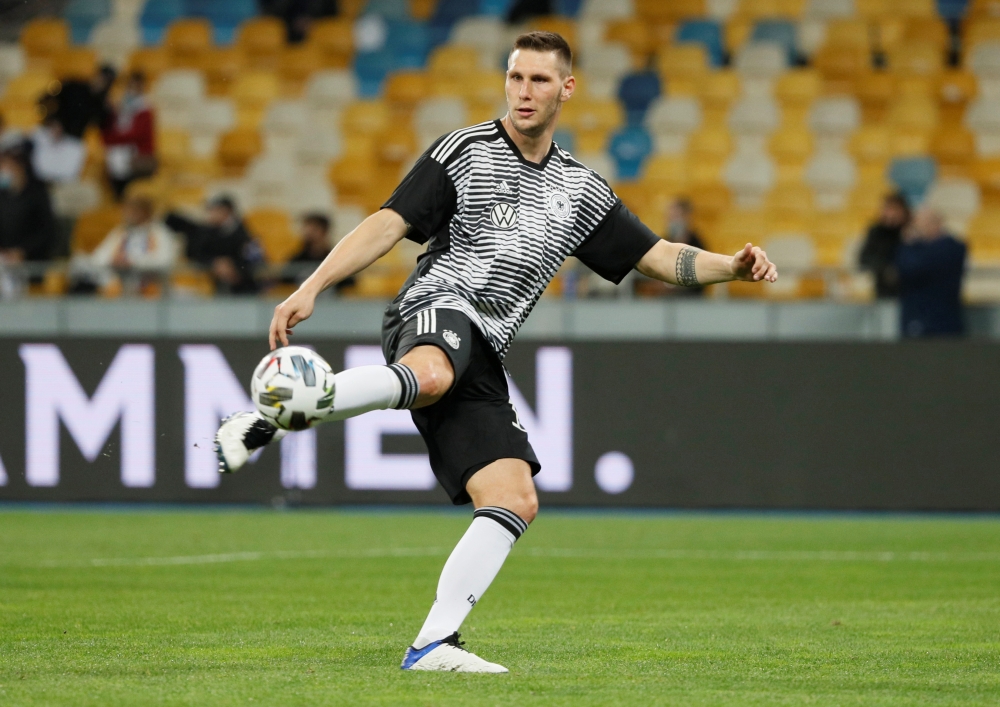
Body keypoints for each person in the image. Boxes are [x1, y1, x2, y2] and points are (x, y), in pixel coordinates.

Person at [214, 32, 777, 673]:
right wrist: (312, 285)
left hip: (486, 349)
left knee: (514, 497)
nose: (523, 92)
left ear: (567, 88)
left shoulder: (580, 190)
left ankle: (432, 645)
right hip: (435, 307)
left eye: (539, 80)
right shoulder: (465, 149)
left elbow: (657, 257)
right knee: (429, 374)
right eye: (515, 78)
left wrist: (731, 266)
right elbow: (389, 221)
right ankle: (278, 414)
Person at [71, 194, 179, 294]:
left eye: (133, 211)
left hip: (148, 279)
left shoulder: (159, 233)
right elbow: (98, 258)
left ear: (146, 212)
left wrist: (132, 262)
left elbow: (165, 261)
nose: (127, 215)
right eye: (127, 211)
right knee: (78, 262)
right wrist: (114, 260)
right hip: (119, 276)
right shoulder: (120, 232)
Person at [165, 195, 262, 295]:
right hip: (218, 288)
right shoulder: (208, 231)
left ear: (225, 211)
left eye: (214, 210)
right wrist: (215, 262)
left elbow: (256, 260)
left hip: (245, 289)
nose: (210, 214)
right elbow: (195, 253)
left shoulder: (244, 233)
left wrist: (235, 268)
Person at [896, 206, 966, 338]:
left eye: (919, 223)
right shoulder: (918, 249)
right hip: (917, 321)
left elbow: (913, 268)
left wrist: (911, 245)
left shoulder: (951, 248)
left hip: (942, 323)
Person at [0, 147, 56, 296]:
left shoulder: (38, 195)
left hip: (31, 260)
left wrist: (22, 252)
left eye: (8, 166)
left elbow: (47, 231)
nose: (3, 170)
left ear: (20, 167)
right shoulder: (2, 195)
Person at [101, 71, 156, 199]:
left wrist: (110, 139)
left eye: (136, 86)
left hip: (138, 159)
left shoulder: (145, 109)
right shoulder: (121, 108)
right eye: (130, 86)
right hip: (120, 157)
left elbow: (136, 135)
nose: (132, 90)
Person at [643, 197, 707, 297]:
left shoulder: (698, 244)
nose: (672, 221)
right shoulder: (661, 242)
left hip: (691, 299)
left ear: (687, 217)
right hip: (663, 299)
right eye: (670, 217)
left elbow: (701, 276)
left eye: (676, 216)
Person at [283, 212, 355, 291]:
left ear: (324, 231)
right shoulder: (297, 259)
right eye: (306, 228)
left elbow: (349, 285)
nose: (307, 233)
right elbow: (283, 283)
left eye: (313, 229)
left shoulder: (336, 258)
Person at [859, 192, 910, 298]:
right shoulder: (876, 232)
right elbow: (864, 258)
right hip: (883, 290)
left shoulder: (911, 232)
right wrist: (884, 269)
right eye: (887, 209)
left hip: (909, 290)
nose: (890, 214)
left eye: (894, 209)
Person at [30, 115, 86, 183]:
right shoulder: (39, 142)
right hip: (44, 183)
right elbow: (39, 170)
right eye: (51, 127)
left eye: (57, 126)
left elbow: (71, 172)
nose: (55, 130)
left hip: (67, 185)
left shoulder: (75, 146)